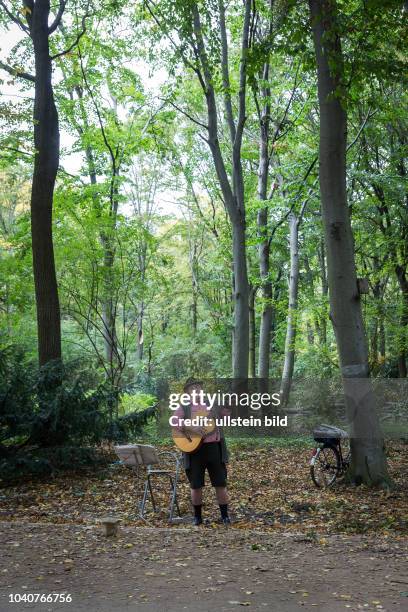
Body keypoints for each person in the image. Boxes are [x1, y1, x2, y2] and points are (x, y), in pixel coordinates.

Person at [172, 378, 231, 526]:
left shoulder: (212, 404)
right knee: (196, 484)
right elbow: (174, 421)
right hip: (194, 451)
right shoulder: (184, 407)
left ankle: (225, 516)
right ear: (188, 392)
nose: (197, 390)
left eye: (199, 387)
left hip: (214, 449)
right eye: (193, 388)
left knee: (220, 483)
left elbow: (228, 417)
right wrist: (190, 427)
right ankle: (197, 517)